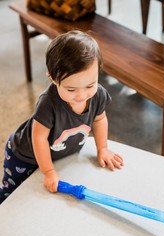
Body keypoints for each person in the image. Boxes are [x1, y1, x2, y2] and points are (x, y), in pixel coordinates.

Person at [0, 30, 123, 204]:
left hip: (58, 155)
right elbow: (39, 138)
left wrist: (102, 148)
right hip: (24, 156)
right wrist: (49, 171)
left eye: (90, 85)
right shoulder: (48, 103)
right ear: (53, 79)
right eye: (71, 89)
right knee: (13, 196)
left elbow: (100, 119)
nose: (81, 95)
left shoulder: (98, 95)